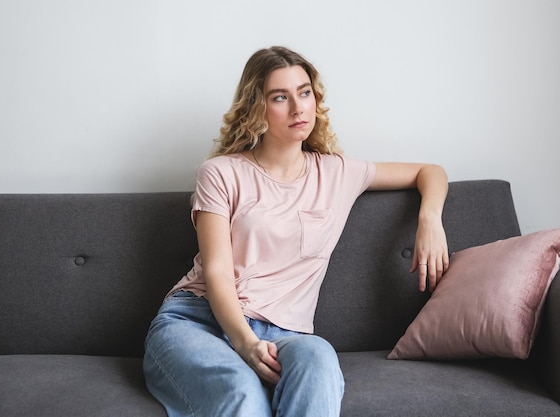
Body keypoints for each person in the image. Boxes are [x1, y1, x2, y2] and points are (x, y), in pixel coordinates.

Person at [143, 46, 449, 417]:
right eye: (280, 97)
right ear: (257, 107)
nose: (298, 107)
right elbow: (218, 272)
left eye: (304, 92)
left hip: (288, 334)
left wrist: (429, 220)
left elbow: (429, 171)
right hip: (198, 321)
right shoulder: (221, 173)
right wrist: (246, 344)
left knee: (319, 358)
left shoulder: (336, 173)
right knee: (242, 394)